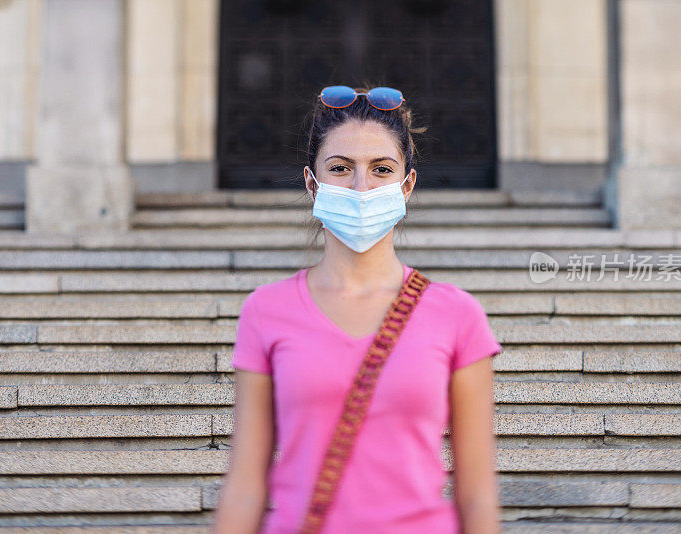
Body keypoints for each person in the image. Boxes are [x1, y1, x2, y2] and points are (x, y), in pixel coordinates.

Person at [212, 84, 503, 534]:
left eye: (381, 169)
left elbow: (477, 494)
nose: (362, 187)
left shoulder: (457, 316)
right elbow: (246, 485)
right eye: (341, 168)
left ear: (407, 186)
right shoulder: (265, 311)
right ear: (313, 184)